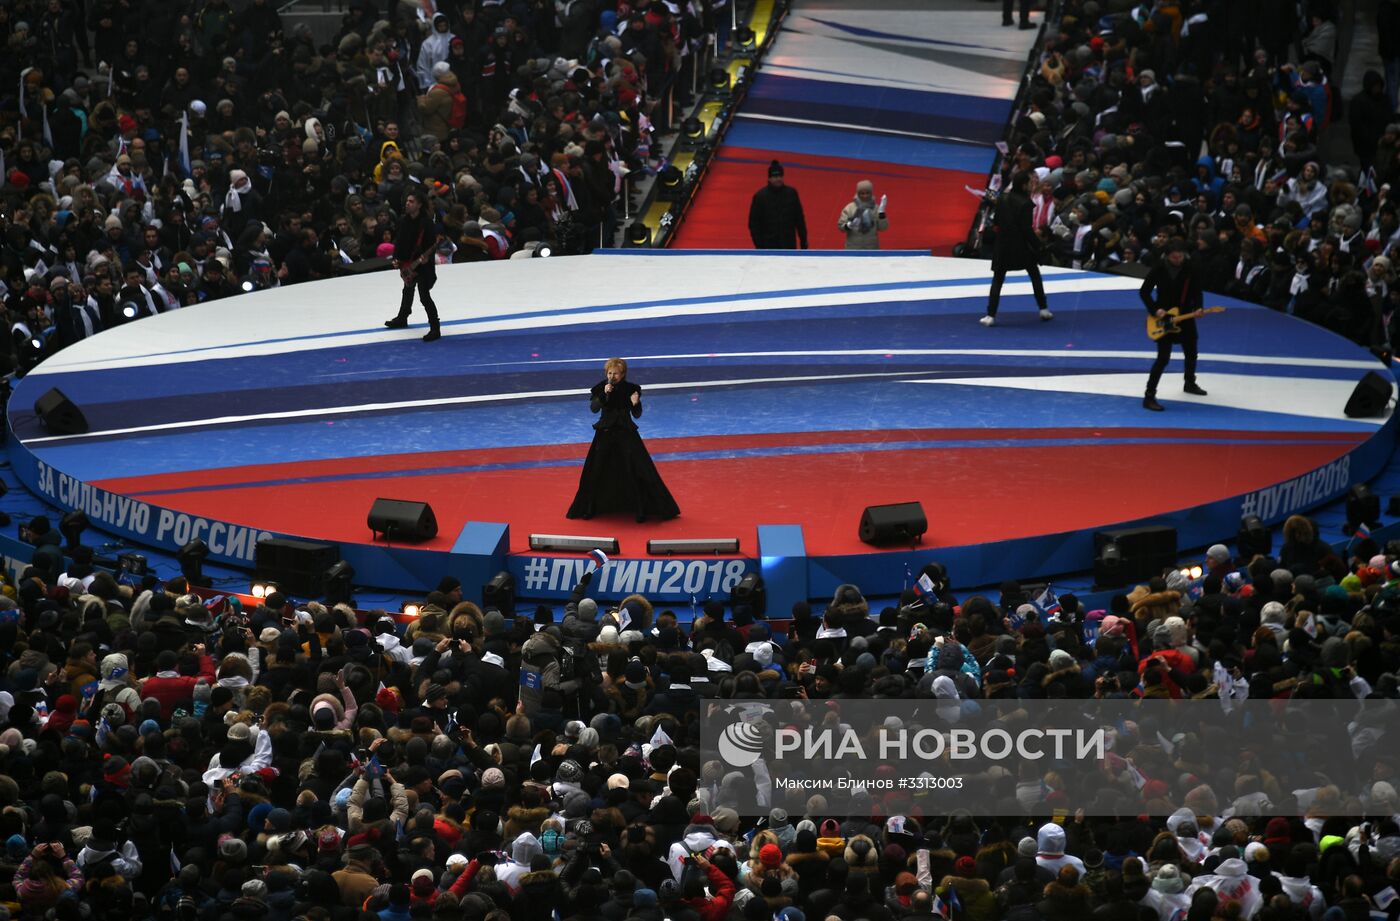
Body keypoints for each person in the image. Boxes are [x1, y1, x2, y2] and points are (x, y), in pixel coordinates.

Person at [566, 358, 680, 523]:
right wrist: (604, 393)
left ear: (623, 374)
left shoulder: (632, 389)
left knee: (637, 470)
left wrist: (635, 403)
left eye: (616, 373)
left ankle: (641, 509)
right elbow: (594, 409)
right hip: (605, 432)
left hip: (626, 433)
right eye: (609, 373)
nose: (612, 376)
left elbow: (637, 414)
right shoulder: (600, 387)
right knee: (595, 471)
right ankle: (589, 507)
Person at [1141, 239, 1209, 411]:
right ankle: (1149, 395)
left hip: (1185, 315)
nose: (1177, 260)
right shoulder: (1159, 268)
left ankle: (1189, 382)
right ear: (1167, 256)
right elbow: (1144, 292)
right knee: (1163, 358)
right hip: (1164, 317)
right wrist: (1156, 310)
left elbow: (1197, 290)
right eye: (1174, 258)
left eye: (1180, 257)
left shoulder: (1190, 268)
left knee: (1192, 351)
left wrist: (1199, 307)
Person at [982, 171, 1052, 327]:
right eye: (1029, 183)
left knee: (998, 279)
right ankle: (1043, 308)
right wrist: (1039, 246)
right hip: (1021, 247)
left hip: (1002, 245)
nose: (1031, 185)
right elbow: (1026, 229)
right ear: (1023, 185)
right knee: (1034, 275)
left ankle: (990, 314)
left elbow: (997, 221)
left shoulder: (1002, 199)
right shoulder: (1025, 203)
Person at [384, 191, 443, 342]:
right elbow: (399, 241)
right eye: (407, 201)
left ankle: (435, 327)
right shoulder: (404, 221)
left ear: (419, 205)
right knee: (407, 290)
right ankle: (403, 317)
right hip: (407, 263)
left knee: (424, 296)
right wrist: (397, 259)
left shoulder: (426, 223)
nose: (407, 203)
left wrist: (427, 257)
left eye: (411, 201)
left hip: (422, 265)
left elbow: (432, 243)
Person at [748, 160, 808, 249]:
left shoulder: (791, 193)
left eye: (780, 176)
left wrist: (804, 241)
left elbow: (799, 219)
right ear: (769, 178)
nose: (778, 179)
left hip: (789, 245)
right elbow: (754, 223)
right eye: (775, 176)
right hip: (768, 247)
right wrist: (760, 246)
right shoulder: (760, 197)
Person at [837, 181, 888, 250]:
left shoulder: (876, 208)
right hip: (853, 248)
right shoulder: (849, 208)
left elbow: (883, 227)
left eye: (867, 193)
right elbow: (841, 226)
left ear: (871, 193)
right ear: (858, 194)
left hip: (871, 248)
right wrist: (848, 226)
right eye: (862, 193)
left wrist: (881, 213)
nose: (865, 196)